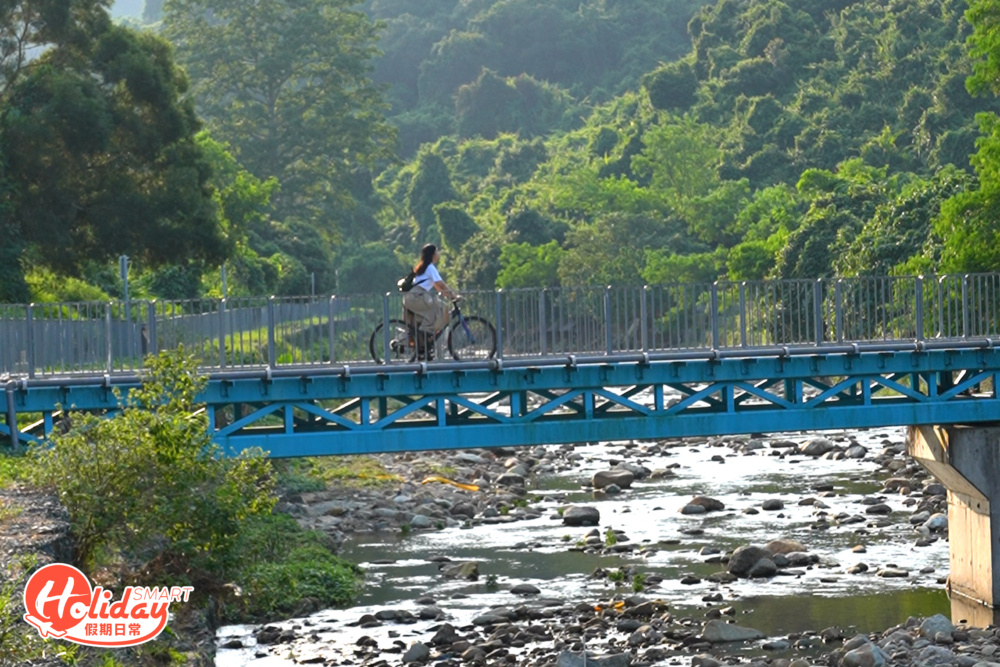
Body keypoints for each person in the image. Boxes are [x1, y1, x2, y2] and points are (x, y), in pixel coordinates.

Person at [403, 245, 459, 355]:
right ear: (433, 254)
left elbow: (438, 287)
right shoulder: (430, 267)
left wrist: (448, 295)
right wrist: (454, 296)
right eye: (437, 251)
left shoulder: (424, 267)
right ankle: (427, 334)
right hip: (417, 296)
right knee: (442, 308)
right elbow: (441, 284)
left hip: (413, 297)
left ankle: (424, 343)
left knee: (438, 308)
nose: (439, 254)